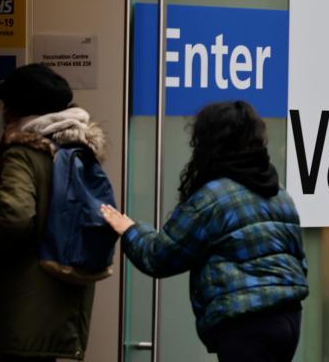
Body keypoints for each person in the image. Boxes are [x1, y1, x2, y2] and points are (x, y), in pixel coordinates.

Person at [101, 100, 308, 362]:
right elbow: (299, 261)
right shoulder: (280, 195)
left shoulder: (212, 199)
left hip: (246, 323)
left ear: (210, 142)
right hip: (288, 319)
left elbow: (159, 256)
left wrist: (129, 229)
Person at [0, 64, 107, 361]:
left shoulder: (23, 152)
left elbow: (14, 218)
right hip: (63, 293)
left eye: (6, 104)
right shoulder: (77, 150)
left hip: (26, 299)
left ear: (17, 109)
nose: (2, 111)